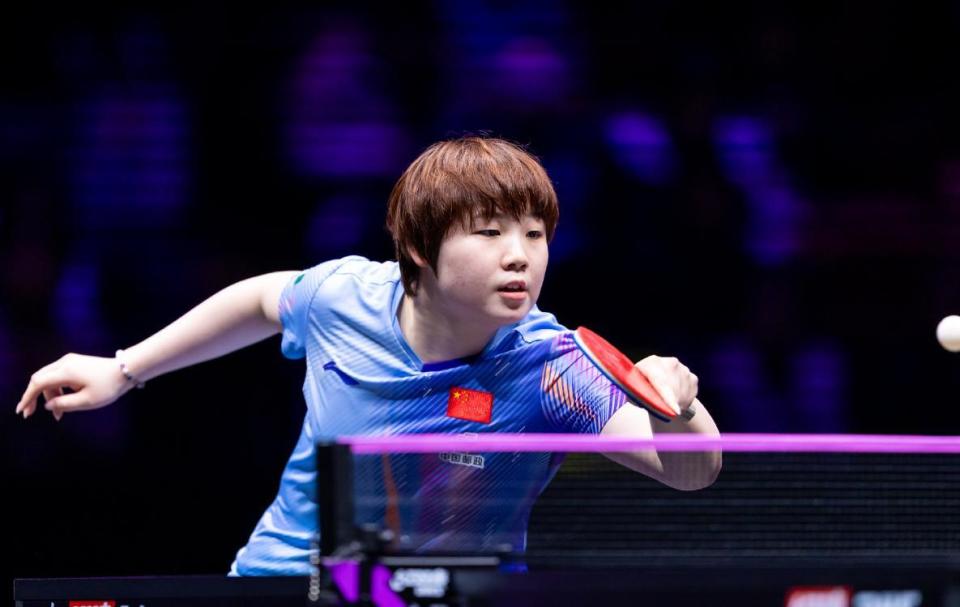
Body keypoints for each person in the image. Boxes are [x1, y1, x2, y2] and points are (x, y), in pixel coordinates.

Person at [16, 136, 721, 576]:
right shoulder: (344, 297)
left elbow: (691, 472)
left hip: (450, 595)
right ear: (419, 246)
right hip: (286, 581)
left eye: (535, 235)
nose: (520, 256)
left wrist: (679, 409)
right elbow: (260, 299)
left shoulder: (550, 366)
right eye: (490, 232)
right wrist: (124, 368)